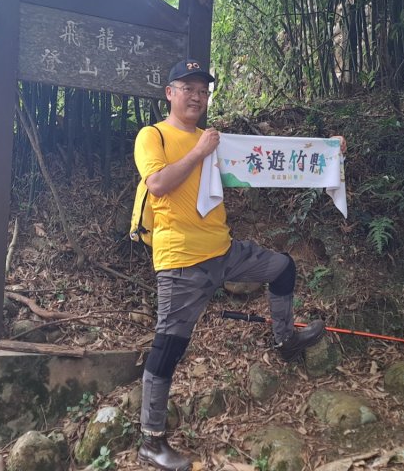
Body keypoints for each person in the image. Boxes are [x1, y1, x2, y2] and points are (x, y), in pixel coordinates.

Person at [133, 59, 335, 471]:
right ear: (170, 93)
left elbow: (277, 161)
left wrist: (327, 155)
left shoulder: (215, 140)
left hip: (224, 251)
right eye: (187, 88)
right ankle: (151, 441)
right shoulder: (153, 135)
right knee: (169, 347)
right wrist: (200, 151)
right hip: (181, 261)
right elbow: (157, 184)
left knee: (282, 267)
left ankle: (284, 340)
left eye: (202, 90)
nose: (196, 95)